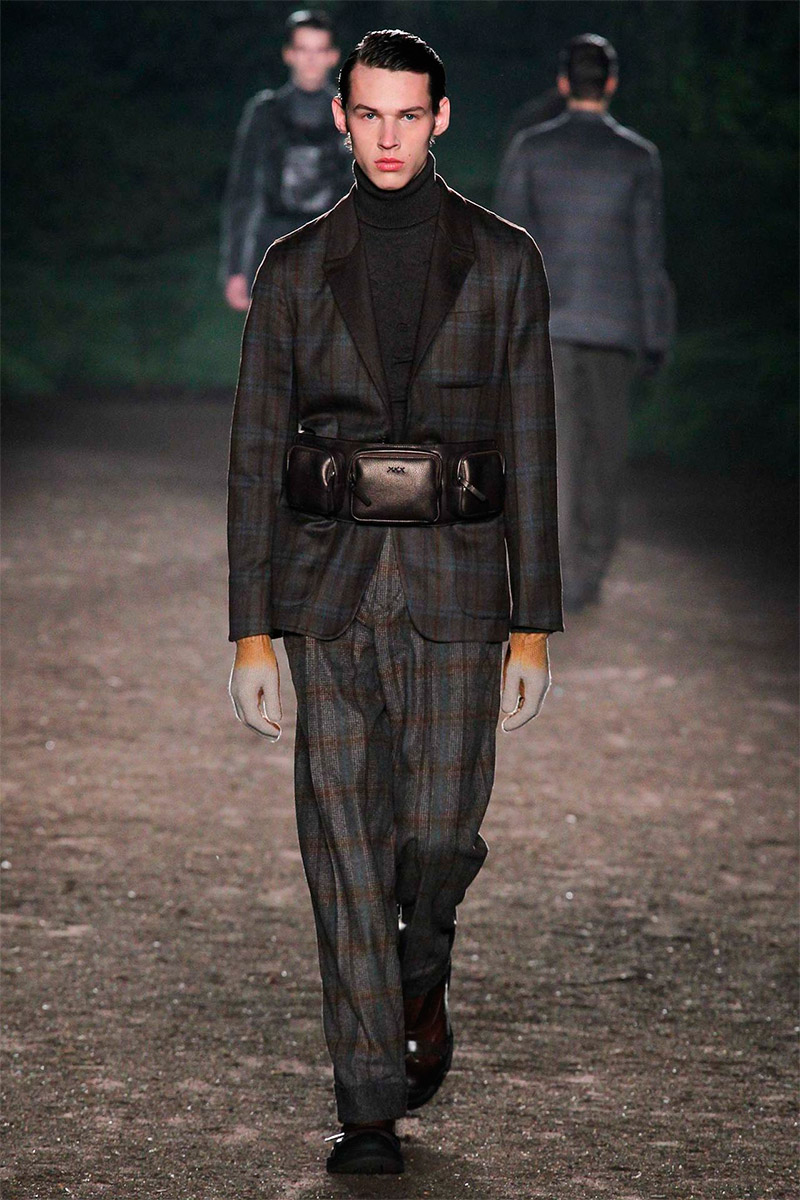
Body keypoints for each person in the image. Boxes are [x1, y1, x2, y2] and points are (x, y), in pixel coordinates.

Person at [227, 29, 562, 1176]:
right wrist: (251, 629)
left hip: (458, 592)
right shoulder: (291, 268)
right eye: (367, 114)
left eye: (406, 115)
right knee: (343, 850)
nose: (386, 135)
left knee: (436, 836)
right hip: (326, 591)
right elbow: (252, 456)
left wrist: (531, 623)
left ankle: (423, 967)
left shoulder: (504, 260)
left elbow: (531, 442)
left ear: (440, 118)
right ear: (340, 118)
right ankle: (367, 1104)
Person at [495, 34, 673, 612]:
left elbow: (508, 247)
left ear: (564, 82)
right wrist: (655, 335)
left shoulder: (531, 149)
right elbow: (648, 254)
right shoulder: (638, 157)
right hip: (615, 328)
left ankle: (554, 570)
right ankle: (589, 568)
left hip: (547, 326)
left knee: (555, 452)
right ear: (611, 84)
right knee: (605, 451)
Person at [220, 8, 352, 311]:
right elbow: (243, 191)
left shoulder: (352, 115)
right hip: (273, 249)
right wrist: (235, 268)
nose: (311, 59)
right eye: (303, 49)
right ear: (288, 54)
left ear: (332, 56)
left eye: (319, 50)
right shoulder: (264, 113)